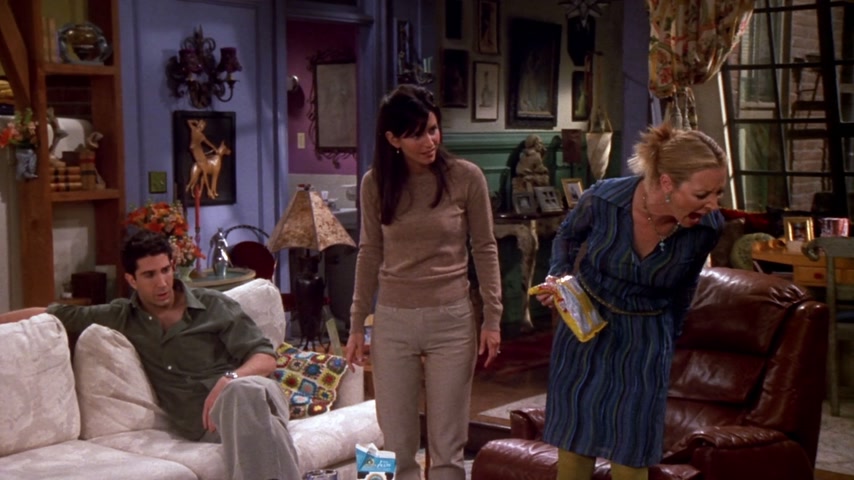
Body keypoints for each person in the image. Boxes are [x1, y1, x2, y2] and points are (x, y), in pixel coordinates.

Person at [0, 230, 300, 480]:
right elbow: (53, 313)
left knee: (243, 394)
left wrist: (230, 379)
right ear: (132, 279)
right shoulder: (122, 316)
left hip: (255, 394)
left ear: (173, 266)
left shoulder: (213, 305)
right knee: (266, 432)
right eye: (150, 275)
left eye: (166, 270)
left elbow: (265, 357)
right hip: (205, 424)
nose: (162, 282)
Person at [536, 123, 727, 480]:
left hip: (646, 337)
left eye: (719, 192)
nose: (714, 204)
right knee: (574, 446)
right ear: (667, 183)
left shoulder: (707, 228)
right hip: (586, 329)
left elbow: (685, 287)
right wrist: (559, 278)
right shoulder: (604, 200)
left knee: (632, 453)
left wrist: (670, 340)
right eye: (703, 194)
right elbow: (567, 236)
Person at [344, 84, 502, 480]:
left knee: (447, 448)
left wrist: (493, 317)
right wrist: (356, 323)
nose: (430, 141)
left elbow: (485, 247)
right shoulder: (375, 183)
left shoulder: (466, 177)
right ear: (392, 139)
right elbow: (369, 252)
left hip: (452, 320)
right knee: (395, 445)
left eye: (433, 129)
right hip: (393, 321)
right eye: (416, 134)